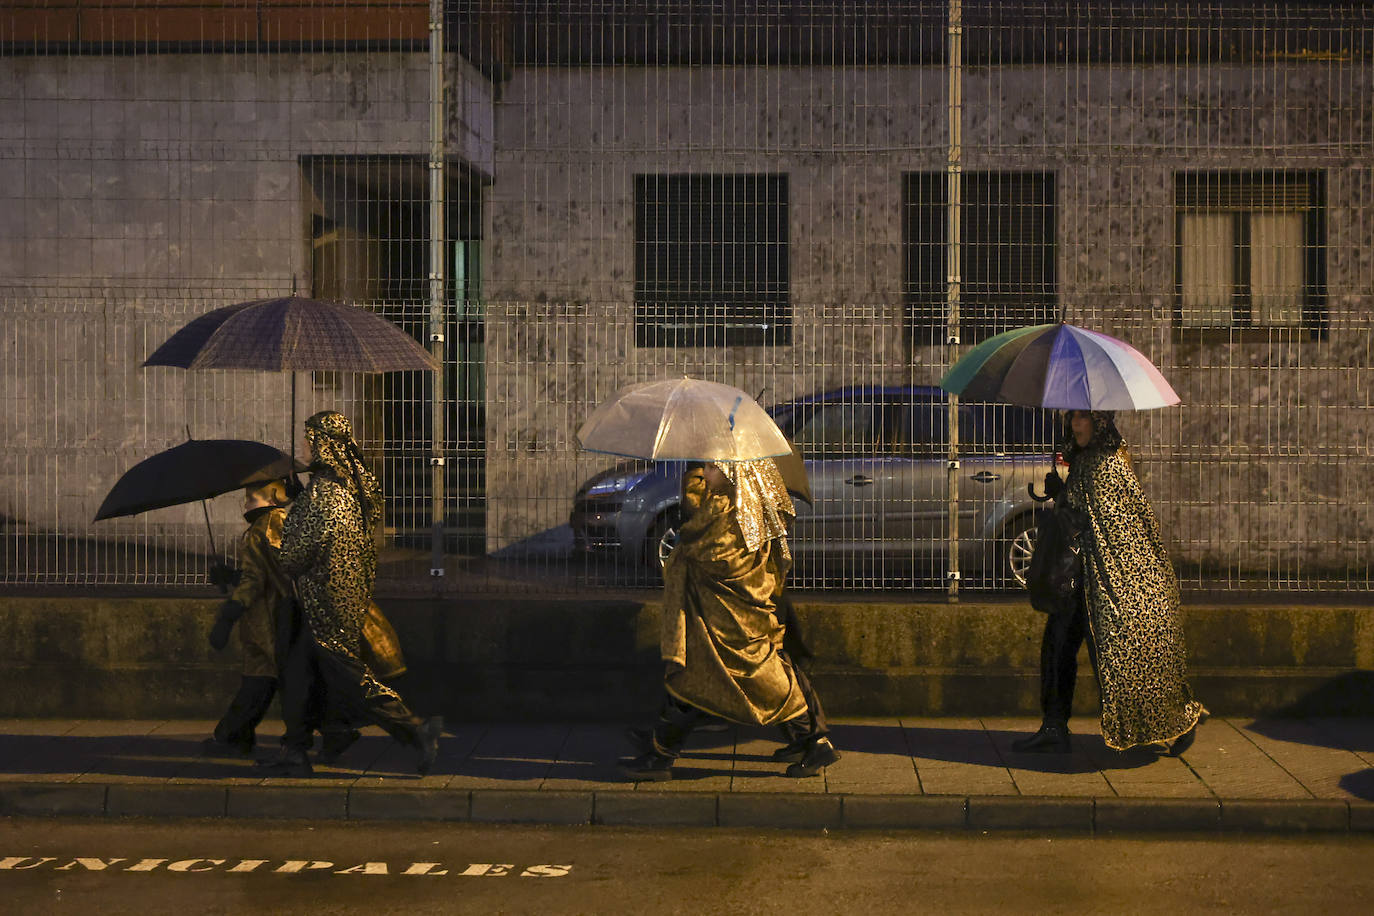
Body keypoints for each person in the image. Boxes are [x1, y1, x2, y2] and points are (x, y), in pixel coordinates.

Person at [619, 458, 839, 780]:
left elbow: (706, 551)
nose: (705, 473)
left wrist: (690, 514)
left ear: (731, 472)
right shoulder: (747, 503)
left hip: (727, 619)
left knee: (758, 679)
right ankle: (660, 747)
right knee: (696, 677)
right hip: (720, 615)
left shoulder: (727, 510)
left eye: (711, 468)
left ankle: (814, 741)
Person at [1013, 410, 1206, 755]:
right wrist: (1063, 494)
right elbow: (1086, 518)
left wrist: (1062, 497)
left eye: (1083, 418)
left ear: (1099, 422)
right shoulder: (1088, 459)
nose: (1075, 424)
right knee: (1057, 645)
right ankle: (1054, 725)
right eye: (1072, 417)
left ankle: (1179, 717)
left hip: (1109, 583)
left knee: (1124, 655)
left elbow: (1103, 523)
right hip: (1084, 577)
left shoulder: (1104, 464)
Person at [260, 410, 440, 777]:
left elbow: (293, 558)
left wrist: (287, 523)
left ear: (322, 443)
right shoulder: (356, 488)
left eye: (309, 440)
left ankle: (414, 729)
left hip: (320, 604)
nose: (305, 446)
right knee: (299, 672)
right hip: (345, 599)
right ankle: (300, 746)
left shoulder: (321, 496)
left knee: (351, 677)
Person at [203, 479, 292, 756]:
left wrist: (229, 614)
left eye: (252, 499)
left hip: (267, 617)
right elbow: (267, 569)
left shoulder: (265, 526)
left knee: (263, 678)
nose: (246, 504)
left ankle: (232, 735)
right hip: (269, 615)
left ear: (272, 498)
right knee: (262, 678)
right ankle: (235, 734)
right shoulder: (272, 523)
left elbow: (258, 578)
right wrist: (232, 575)